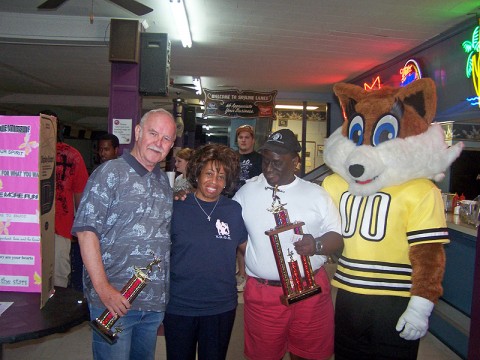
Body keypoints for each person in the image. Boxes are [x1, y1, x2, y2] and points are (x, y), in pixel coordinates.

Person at [71, 109, 177, 360]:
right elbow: (86, 232)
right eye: (153, 133)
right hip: (114, 301)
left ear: (172, 146)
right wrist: (104, 289)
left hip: (152, 303)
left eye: (166, 139)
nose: (158, 143)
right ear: (138, 132)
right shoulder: (109, 173)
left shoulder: (163, 181)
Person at [233, 128, 343, 360]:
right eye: (265, 161)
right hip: (265, 295)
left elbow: (336, 234)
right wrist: (252, 251)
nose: (268, 169)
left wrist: (317, 245)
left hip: (310, 290)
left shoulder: (316, 194)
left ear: (295, 162)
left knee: (310, 355)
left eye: (276, 163)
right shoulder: (247, 192)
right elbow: (230, 228)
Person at [164, 144, 248, 360]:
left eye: (221, 176)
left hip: (220, 306)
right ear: (197, 174)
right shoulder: (176, 207)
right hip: (180, 304)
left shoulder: (233, 210)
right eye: (209, 173)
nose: (214, 181)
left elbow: (244, 247)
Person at [40, 110, 89, 288]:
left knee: (58, 277)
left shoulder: (72, 155)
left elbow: (79, 194)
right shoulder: (26, 151)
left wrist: (81, 226)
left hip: (60, 227)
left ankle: (54, 313)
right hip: (28, 227)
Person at [234, 124, 262, 292]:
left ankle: (249, 272)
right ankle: (241, 273)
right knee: (237, 240)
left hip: (252, 204)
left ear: (253, 140)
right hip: (233, 203)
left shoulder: (260, 159)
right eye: (240, 137)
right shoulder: (231, 158)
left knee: (249, 239)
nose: (243, 140)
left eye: (247, 137)